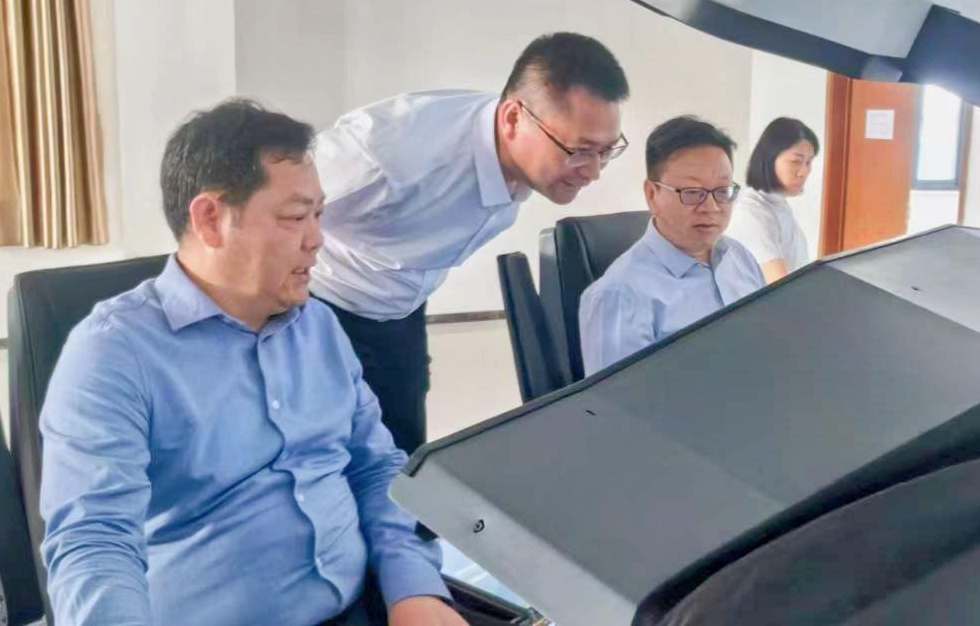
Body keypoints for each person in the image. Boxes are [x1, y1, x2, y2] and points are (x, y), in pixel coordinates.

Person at [39, 100, 594, 626]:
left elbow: (374, 468)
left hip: (365, 620)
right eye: (296, 217)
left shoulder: (317, 327)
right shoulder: (114, 355)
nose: (318, 240)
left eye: (319, 216)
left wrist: (413, 588)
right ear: (211, 218)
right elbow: (92, 548)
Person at [310, 32, 630, 455]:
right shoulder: (392, 153)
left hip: (401, 312)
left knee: (402, 460)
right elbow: (269, 209)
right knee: (323, 461)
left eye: (606, 151)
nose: (593, 172)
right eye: (580, 150)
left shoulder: (524, 152)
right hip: (321, 309)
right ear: (513, 119)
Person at [577, 116, 765, 375]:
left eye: (722, 191)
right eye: (692, 192)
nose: (711, 208)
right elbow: (618, 400)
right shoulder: (619, 295)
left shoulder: (740, 257)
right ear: (652, 195)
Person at [728, 116, 819, 283]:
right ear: (769, 159)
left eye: (809, 162)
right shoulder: (752, 212)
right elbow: (778, 285)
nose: (804, 172)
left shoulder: (778, 203)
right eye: (795, 161)